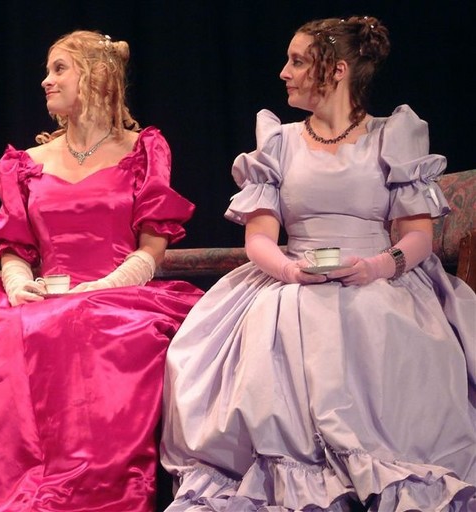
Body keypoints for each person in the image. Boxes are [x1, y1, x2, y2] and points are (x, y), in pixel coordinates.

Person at [160, 16, 476, 511]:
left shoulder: (391, 136)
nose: (284, 73)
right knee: (278, 324)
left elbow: (419, 235)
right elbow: (259, 238)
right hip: (291, 276)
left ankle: (378, 468)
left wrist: (379, 266)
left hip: (379, 274)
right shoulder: (279, 141)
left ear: (339, 69)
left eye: (298, 62)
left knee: (375, 316)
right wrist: (289, 271)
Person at [0, 30, 203, 511]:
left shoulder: (143, 150)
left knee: (91, 325)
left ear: (97, 75)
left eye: (59, 68)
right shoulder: (26, 164)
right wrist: (18, 283)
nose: (46, 81)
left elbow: (154, 244)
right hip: (47, 293)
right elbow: (14, 245)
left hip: (123, 294)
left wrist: (108, 284)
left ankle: (91, 490)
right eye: (47, 70)